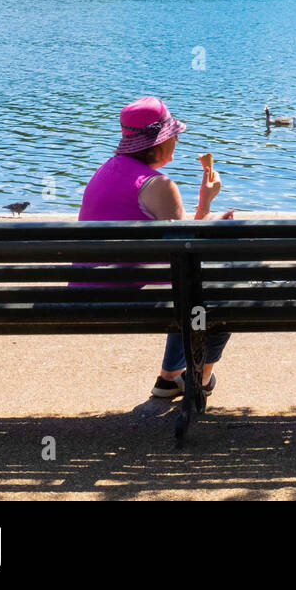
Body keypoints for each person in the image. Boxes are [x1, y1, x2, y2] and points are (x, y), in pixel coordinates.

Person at [75, 97, 235, 398]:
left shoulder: (105, 171)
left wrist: (205, 211)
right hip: (123, 299)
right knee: (216, 295)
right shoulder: (159, 185)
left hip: (87, 290)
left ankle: (169, 378)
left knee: (183, 284)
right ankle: (197, 380)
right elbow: (189, 252)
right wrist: (207, 210)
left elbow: (182, 243)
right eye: (173, 134)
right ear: (157, 143)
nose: (177, 139)